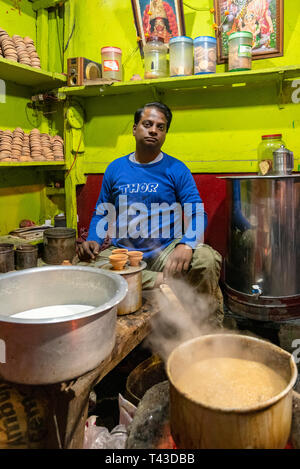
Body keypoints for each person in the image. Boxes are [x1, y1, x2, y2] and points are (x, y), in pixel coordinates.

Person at [78, 102, 224, 326]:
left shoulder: (176, 168)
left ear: (165, 134)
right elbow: (102, 212)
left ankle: (207, 332)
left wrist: (186, 244)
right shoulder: (115, 169)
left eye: (161, 127)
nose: (154, 130)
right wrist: (93, 240)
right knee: (82, 270)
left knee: (207, 258)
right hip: (125, 255)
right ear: (135, 128)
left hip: (165, 252)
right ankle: (162, 280)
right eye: (148, 124)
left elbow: (197, 212)